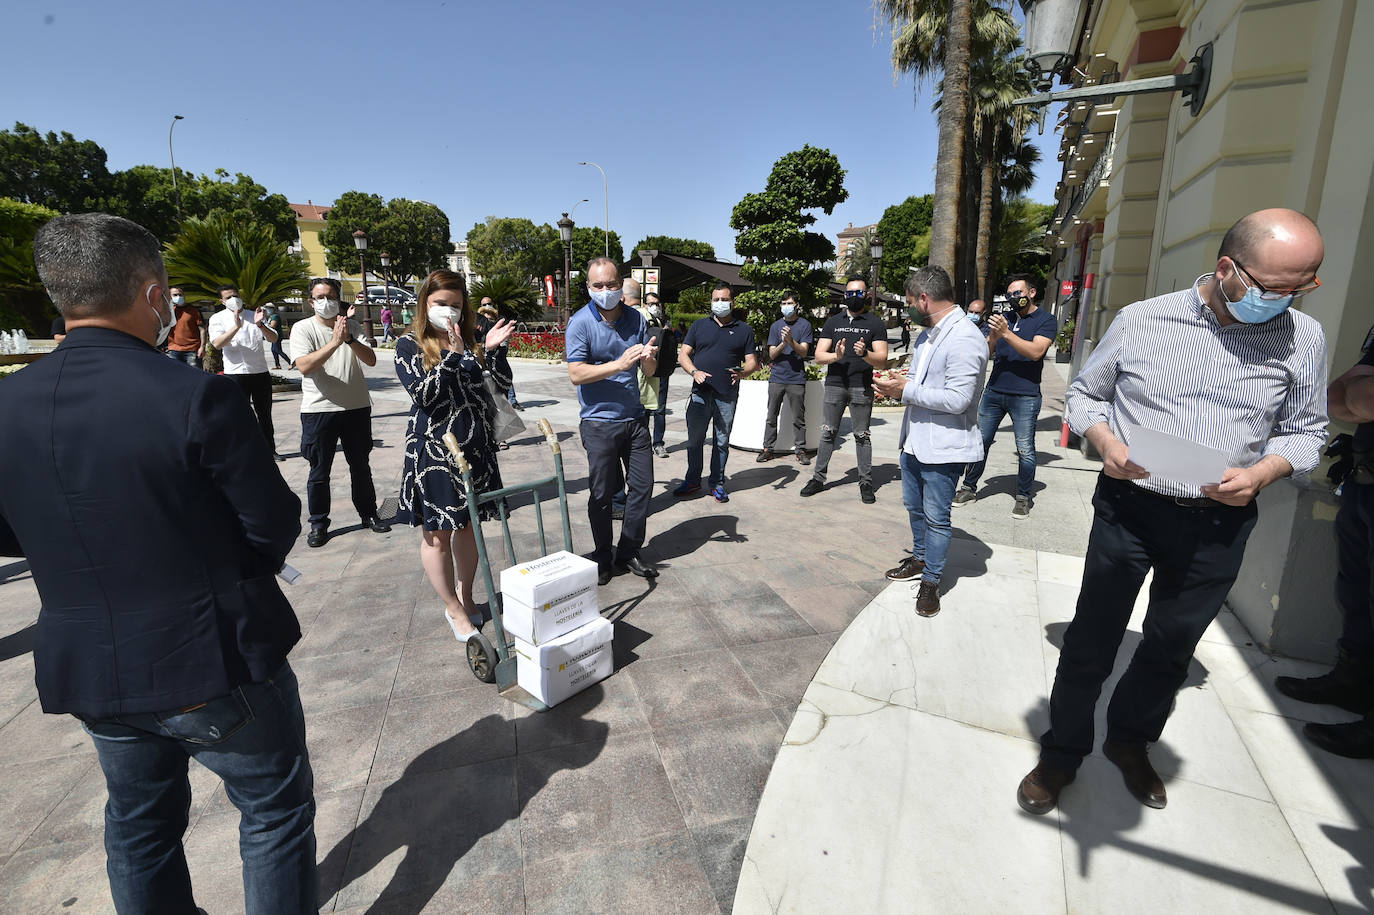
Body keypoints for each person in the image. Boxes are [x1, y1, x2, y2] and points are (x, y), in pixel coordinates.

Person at [0, 213, 316, 913]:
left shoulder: (7, 401)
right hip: (211, 657)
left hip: (94, 666)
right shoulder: (193, 393)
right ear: (151, 294)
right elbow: (272, 523)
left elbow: (11, 532)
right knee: (273, 813)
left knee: (139, 827)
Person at [1017, 208, 1328, 816]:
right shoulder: (1142, 321)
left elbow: (1306, 432)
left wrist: (1264, 471)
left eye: (1303, 288)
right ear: (1227, 269)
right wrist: (1104, 441)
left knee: (1170, 646)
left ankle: (1131, 742)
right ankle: (1061, 753)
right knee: (1092, 639)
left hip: (1219, 522)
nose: (1287, 302)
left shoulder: (1304, 338)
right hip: (1130, 510)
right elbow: (1085, 394)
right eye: (1275, 289)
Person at [394, 270, 514, 640]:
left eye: (456, 306)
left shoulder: (473, 340)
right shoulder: (409, 345)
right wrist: (453, 357)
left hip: (475, 450)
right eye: (440, 304)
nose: (448, 312)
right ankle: (452, 607)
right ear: (424, 304)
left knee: (468, 526)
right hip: (434, 452)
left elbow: (501, 389)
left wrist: (492, 353)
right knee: (437, 531)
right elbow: (424, 395)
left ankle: (466, 593)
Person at [1274, 332, 1374, 757]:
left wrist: (1356, 391)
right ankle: (1352, 682)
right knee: (1355, 591)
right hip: (1364, 478)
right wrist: (1355, 392)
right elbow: (1338, 400)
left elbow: (1363, 400)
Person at [873, 266, 989, 616]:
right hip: (915, 440)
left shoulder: (965, 338)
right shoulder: (928, 336)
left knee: (937, 517)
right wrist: (902, 378)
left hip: (944, 446)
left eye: (909, 302)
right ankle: (921, 558)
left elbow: (957, 399)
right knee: (914, 507)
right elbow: (925, 381)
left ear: (924, 299)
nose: (909, 309)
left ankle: (931, 582)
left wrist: (905, 389)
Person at [566, 257, 660, 585]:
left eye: (611, 284)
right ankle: (603, 555)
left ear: (621, 285)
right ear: (589, 288)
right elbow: (576, 373)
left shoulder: (636, 319)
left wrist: (648, 360)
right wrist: (618, 365)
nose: (606, 291)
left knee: (643, 487)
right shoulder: (580, 322)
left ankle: (629, 550)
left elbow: (647, 369)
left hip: (634, 419)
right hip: (598, 422)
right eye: (598, 286)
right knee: (602, 493)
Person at [290, 277, 391, 547]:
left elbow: (369, 360)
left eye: (331, 296)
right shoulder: (302, 328)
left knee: (360, 466)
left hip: (356, 407)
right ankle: (319, 524)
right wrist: (334, 342)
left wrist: (347, 339)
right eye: (320, 297)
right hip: (319, 410)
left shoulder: (353, 326)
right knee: (319, 471)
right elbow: (304, 366)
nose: (326, 302)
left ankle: (369, 514)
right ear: (311, 302)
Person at [953, 275, 1057, 518]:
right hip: (994, 391)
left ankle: (1022, 497)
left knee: (1025, 449)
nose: (1013, 298)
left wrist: (1006, 334)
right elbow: (987, 351)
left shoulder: (1046, 320)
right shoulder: (1005, 318)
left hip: (1026, 395)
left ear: (1031, 292)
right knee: (981, 442)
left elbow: (1036, 352)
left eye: (1017, 293)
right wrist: (993, 337)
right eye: (1009, 294)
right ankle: (969, 487)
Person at [799, 276, 889, 503]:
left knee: (862, 436)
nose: (853, 297)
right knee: (828, 432)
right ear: (845, 296)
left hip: (861, 386)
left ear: (866, 295)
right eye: (850, 293)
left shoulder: (875, 323)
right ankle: (818, 479)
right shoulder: (833, 322)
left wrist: (865, 354)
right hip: (835, 385)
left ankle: (866, 482)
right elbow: (819, 356)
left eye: (858, 293)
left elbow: (882, 360)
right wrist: (836, 356)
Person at [675, 281, 759, 502]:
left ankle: (717, 483)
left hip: (727, 395)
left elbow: (752, 362)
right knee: (695, 440)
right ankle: (692, 481)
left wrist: (743, 373)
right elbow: (683, 355)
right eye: (716, 299)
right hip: (700, 393)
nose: (719, 303)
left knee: (721, 441)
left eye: (724, 299)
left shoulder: (744, 330)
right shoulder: (698, 326)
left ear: (732, 302)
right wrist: (694, 372)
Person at [209, 285, 282, 460]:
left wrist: (260, 325)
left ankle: (269, 451)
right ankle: (242, 453)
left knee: (264, 414)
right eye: (228, 298)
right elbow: (217, 344)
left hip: (259, 372)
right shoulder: (217, 318)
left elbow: (274, 338)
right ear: (222, 301)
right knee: (238, 415)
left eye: (235, 295)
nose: (233, 299)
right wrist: (236, 327)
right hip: (235, 374)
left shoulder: (253, 315)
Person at [758, 289, 813, 464]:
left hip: (796, 378)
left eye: (789, 303)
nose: (786, 307)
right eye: (784, 304)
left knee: (798, 417)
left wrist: (791, 341)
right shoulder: (775, 326)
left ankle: (801, 449)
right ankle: (768, 448)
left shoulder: (805, 325)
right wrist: (784, 342)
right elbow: (772, 354)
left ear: (797, 305)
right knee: (771, 415)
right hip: (777, 377)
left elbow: (804, 351)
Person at [645, 291, 676, 458]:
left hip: (661, 370)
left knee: (660, 409)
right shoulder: (641, 320)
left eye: (657, 303)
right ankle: (642, 444)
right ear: (644, 305)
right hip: (645, 371)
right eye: (650, 304)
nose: (654, 307)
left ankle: (658, 443)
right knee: (644, 409)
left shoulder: (665, 321)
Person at [478, 297, 523, 412]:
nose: (487, 306)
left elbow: (504, 343)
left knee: (503, 375)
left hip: (497, 358)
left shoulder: (500, 320)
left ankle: (511, 401)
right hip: (484, 359)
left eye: (489, 303)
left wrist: (494, 349)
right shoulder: (479, 324)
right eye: (484, 304)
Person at [165, 285, 206, 368]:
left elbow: (202, 330)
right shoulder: (169, 311)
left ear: (184, 295)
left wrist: (202, 347)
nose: (178, 297)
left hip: (192, 350)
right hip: (174, 349)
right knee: (175, 376)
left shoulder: (194, 311)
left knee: (195, 376)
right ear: (170, 296)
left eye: (180, 294)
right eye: (175, 295)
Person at [264, 302, 291, 369]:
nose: (267, 310)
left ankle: (291, 363)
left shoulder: (275, 316)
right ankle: (277, 365)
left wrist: (264, 326)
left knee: (277, 350)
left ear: (272, 309)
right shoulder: (271, 317)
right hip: (274, 336)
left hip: (277, 336)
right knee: (274, 350)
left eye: (268, 308)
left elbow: (272, 326)